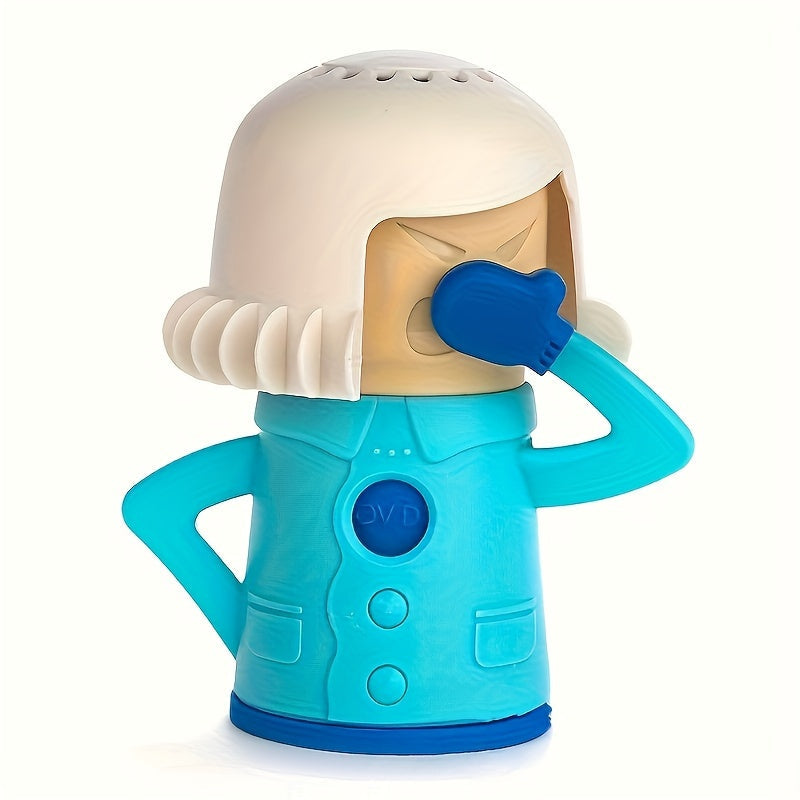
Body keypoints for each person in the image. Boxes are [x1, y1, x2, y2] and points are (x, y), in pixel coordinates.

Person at [123, 51, 693, 754]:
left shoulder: (493, 448)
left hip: (489, 694)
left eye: (514, 249)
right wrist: (248, 631)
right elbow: (157, 508)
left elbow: (659, 447)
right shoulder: (296, 436)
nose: (470, 286)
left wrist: (552, 342)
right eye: (435, 251)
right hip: (293, 709)